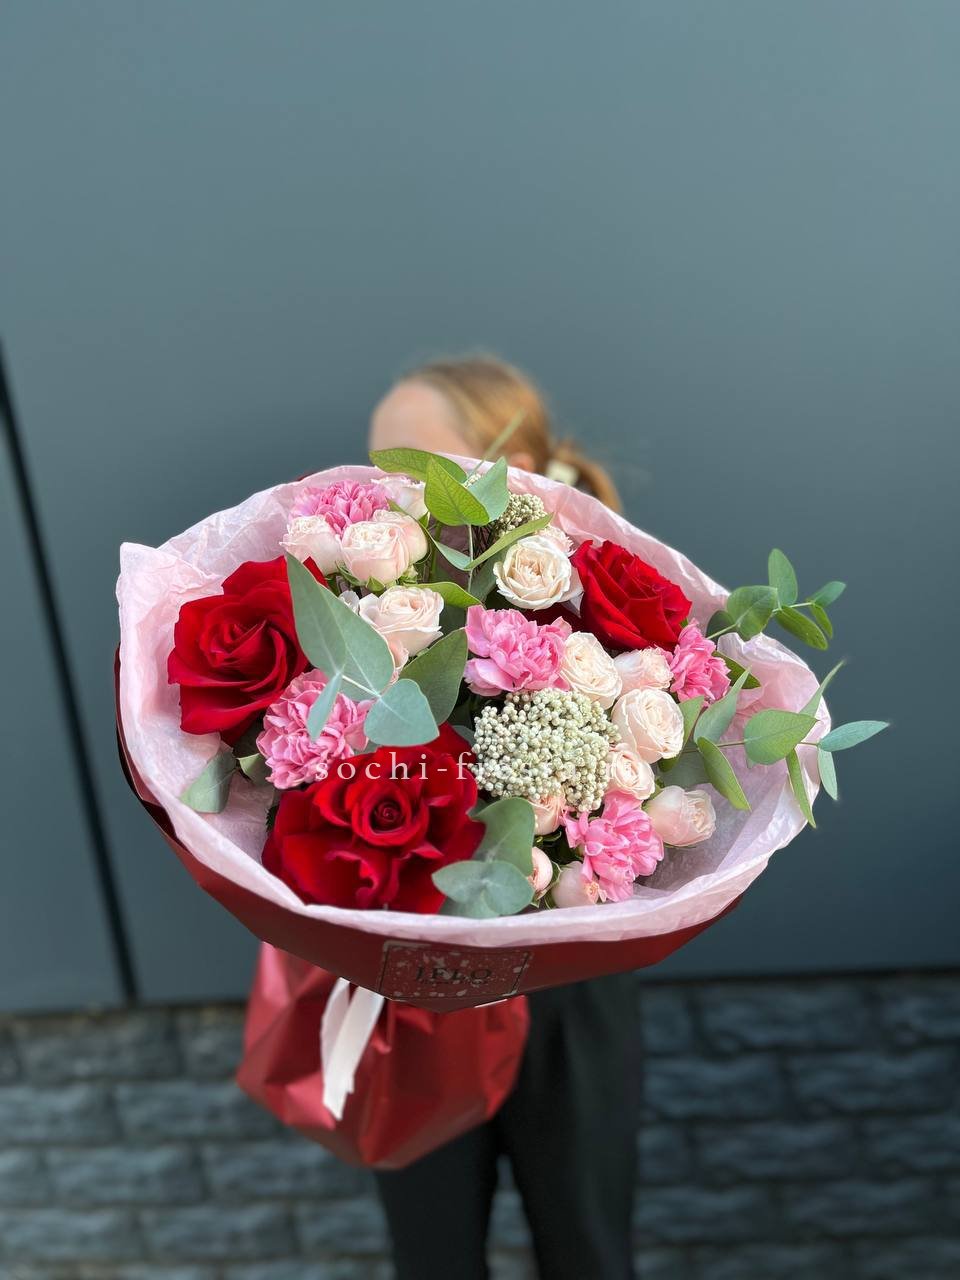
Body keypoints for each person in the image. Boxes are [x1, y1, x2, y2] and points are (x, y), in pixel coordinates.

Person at [369, 354, 641, 1280]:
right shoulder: (360, 608)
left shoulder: (604, 602)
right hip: (415, 978)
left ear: (511, 465)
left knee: (588, 1252)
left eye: (415, 463)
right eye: (374, 462)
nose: (386, 490)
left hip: (568, 980)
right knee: (431, 1258)